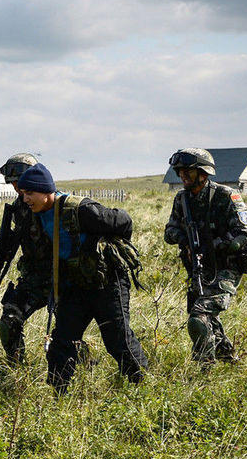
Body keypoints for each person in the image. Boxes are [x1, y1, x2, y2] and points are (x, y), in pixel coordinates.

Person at [16, 163, 148, 393]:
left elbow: (124, 222)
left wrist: (102, 248)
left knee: (118, 340)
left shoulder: (81, 209)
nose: (25, 199)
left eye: (30, 193)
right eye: (23, 193)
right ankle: (59, 394)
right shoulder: (36, 215)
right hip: (74, 287)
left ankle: (142, 386)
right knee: (62, 344)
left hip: (107, 283)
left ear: (46, 191)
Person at [0, 153, 96, 366]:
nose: (16, 187)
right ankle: (17, 370)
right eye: (13, 183)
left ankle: (86, 366)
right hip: (33, 278)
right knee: (9, 321)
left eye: (19, 182)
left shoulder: (58, 204)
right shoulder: (19, 208)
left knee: (67, 333)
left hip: (62, 278)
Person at [164, 148, 247, 366]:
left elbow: (242, 234)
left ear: (203, 173)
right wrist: (185, 241)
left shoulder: (226, 196)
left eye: (188, 171)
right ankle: (229, 360)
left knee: (199, 317)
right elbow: (169, 232)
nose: (182, 175)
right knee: (205, 316)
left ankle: (205, 370)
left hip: (228, 266)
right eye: (179, 171)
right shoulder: (182, 199)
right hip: (200, 267)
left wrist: (211, 246)